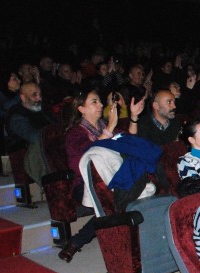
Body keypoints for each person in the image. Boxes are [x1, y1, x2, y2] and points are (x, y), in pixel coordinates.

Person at [59, 89, 145, 263]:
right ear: (81, 109)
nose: (100, 105)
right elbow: (83, 162)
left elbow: (131, 140)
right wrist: (110, 128)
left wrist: (134, 117)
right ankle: (79, 242)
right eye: (94, 102)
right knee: (116, 201)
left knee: (129, 191)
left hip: (111, 180)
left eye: (99, 101)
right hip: (84, 185)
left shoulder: (103, 125)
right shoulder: (75, 134)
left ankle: (76, 242)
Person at [5, 82, 55, 184]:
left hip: (50, 147)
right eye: (34, 95)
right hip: (32, 155)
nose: (39, 99)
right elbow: (33, 137)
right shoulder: (17, 116)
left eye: (40, 95)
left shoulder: (44, 110)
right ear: (23, 97)